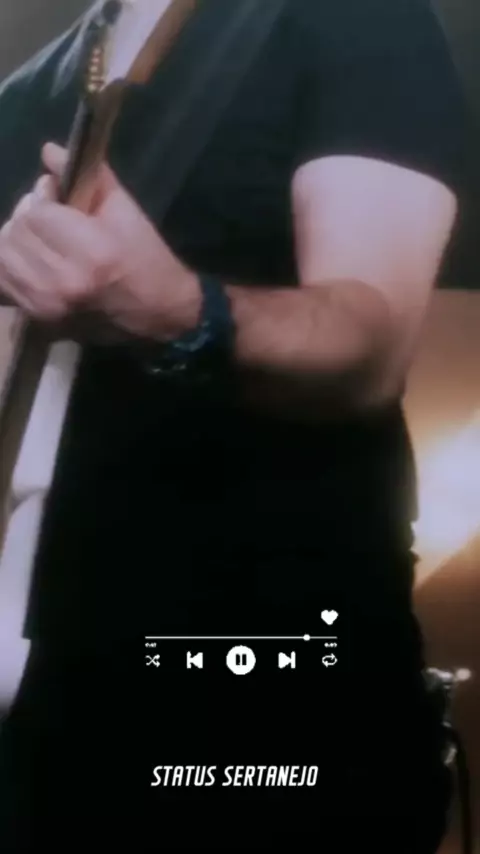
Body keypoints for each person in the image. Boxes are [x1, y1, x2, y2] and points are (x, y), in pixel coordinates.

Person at [0, 0, 470, 850]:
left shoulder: (351, 15)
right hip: (47, 714)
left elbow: (367, 348)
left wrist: (177, 312)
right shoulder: (23, 95)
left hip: (258, 703)